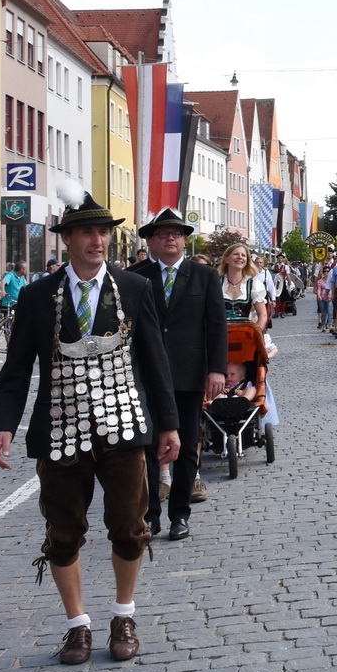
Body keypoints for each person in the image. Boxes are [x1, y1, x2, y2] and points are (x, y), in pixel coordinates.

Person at [0, 187, 180, 664]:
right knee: (63, 531)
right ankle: (77, 625)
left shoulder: (135, 288)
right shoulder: (37, 296)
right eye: (88, 232)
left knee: (130, 527)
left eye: (103, 232)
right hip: (60, 426)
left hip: (123, 424)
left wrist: (169, 425)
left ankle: (123, 613)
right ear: (68, 238)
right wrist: (3, 424)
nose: (98, 240)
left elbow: (154, 358)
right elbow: (16, 369)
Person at [127, 208, 228, 543]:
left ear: (185, 239)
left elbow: (216, 327)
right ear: (151, 240)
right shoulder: (135, 275)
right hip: (145, 375)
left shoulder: (205, 276)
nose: (170, 237)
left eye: (176, 233)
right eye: (162, 233)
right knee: (148, 446)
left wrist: (216, 368)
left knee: (185, 447)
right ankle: (151, 515)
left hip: (188, 373)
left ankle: (179, 514)